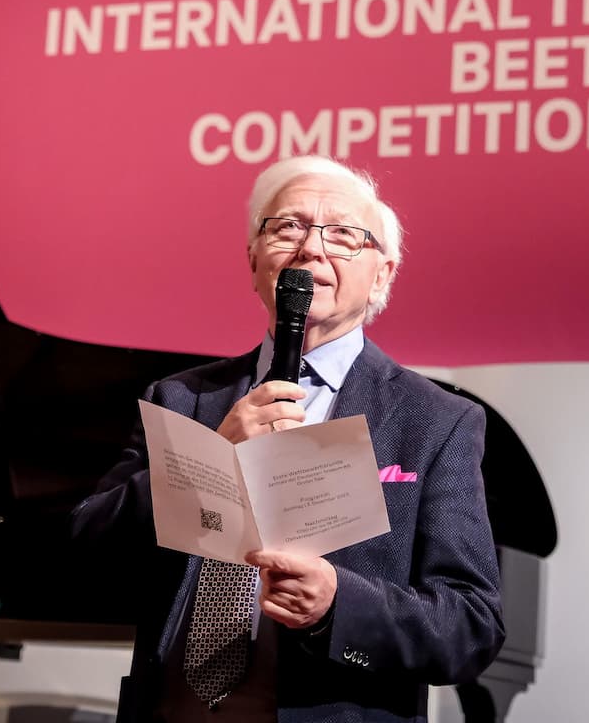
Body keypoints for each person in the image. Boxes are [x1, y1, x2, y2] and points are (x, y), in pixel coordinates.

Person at [70, 155, 504, 723]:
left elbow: (470, 627)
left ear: (383, 273)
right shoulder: (180, 400)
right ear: (252, 260)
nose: (311, 249)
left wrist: (337, 605)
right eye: (287, 227)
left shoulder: (435, 421)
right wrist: (207, 463)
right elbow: (85, 555)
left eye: (345, 234)